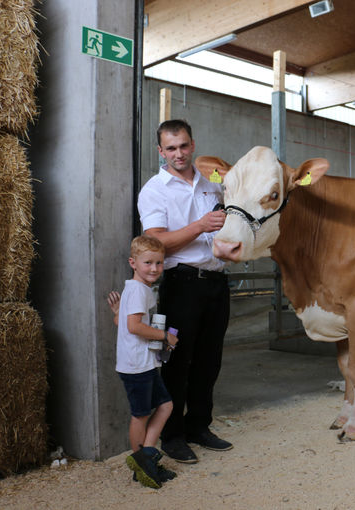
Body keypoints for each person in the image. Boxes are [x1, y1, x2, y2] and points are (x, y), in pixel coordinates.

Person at [136, 119, 232, 463]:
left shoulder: (213, 187)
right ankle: (172, 435)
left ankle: (199, 426)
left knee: (210, 360)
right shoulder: (154, 190)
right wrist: (199, 226)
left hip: (217, 283)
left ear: (193, 145)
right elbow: (156, 241)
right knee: (177, 362)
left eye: (184, 146)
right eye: (171, 148)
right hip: (182, 286)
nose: (179, 153)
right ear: (161, 152)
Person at [110, 235, 179, 489]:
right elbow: (134, 326)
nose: (154, 268)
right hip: (136, 366)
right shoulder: (139, 290)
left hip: (144, 363)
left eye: (159, 263)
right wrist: (165, 336)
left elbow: (123, 324)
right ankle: (142, 464)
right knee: (140, 415)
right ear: (133, 263)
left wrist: (117, 313)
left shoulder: (137, 288)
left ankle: (146, 458)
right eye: (148, 262)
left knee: (165, 405)